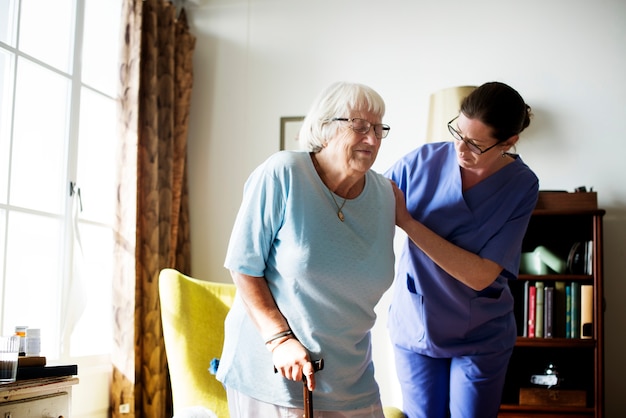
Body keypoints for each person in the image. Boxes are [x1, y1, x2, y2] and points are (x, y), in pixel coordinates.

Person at [217, 81, 396, 417]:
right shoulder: (283, 173)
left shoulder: (385, 194)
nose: (372, 139)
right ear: (325, 128)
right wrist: (279, 339)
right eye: (359, 127)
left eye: (378, 128)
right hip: (279, 370)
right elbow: (243, 265)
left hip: (353, 376)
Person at [385, 81, 539, 418]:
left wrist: (410, 224)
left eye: (476, 143)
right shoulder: (419, 162)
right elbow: (363, 210)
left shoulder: (522, 185)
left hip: (481, 333)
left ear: (508, 143)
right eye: (458, 132)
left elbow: (482, 274)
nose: (460, 147)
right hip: (417, 323)